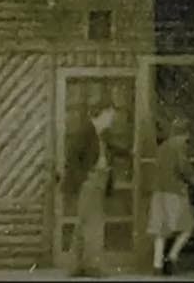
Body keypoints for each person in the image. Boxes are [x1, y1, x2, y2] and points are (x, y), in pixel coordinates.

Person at [63, 101, 124, 278]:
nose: (112, 119)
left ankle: (76, 266)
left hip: (98, 181)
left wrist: (129, 152)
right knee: (94, 225)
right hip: (91, 182)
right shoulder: (86, 131)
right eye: (110, 115)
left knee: (83, 224)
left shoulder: (101, 134)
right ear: (102, 114)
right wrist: (83, 178)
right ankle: (93, 266)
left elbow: (112, 149)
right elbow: (72, 155)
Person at [148, 118, 194, 276]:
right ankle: (172, 256)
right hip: (174, 192)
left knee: (161, 230)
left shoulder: (162, 146)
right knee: (187, 227)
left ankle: (157, 266)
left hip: (158, 192)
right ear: (185, 134)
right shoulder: (179, 146)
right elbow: (183, 167)